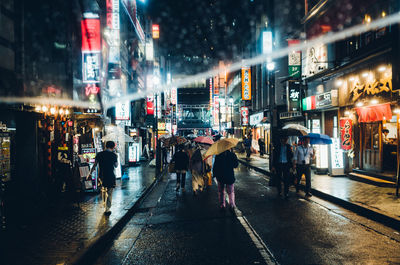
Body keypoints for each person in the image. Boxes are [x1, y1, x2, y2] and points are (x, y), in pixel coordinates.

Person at [87, 141, 118, 215]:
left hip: (102, 175)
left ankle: (104, 205)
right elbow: (116, 165)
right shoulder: (113, 155)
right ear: (113, 147)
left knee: (103, 190)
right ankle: (107, 209)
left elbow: (94, 165)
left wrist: (90, 173)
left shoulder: (100, 154)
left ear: (105, 146)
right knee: (109, 192)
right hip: (110, 175)